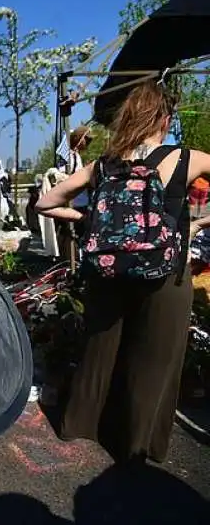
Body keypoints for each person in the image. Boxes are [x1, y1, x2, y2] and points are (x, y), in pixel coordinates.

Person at [35, 79, 210, 465]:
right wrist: (198, 224)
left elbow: (46, 203)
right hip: (167, 274)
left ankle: (79, 423)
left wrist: (86, 218)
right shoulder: (186, 158)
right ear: (165, 118)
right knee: (154, 360)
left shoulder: (106, 163)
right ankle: (135, 445)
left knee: (100, 350)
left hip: (109, 270)